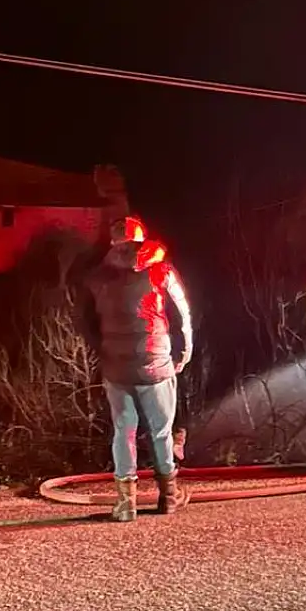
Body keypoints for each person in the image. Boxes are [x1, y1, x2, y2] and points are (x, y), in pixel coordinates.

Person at [80, 215, 194, 521]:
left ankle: (125, 504)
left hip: (116, 369)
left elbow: (85, 323)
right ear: (143, 240)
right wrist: (185, 352)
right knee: (160, 432)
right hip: (156, 363)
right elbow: (183, 314)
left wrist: (103, 353)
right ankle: (168, 497)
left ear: (114, 243)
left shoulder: (96, 277)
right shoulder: (161, 271)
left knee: (123, 432)